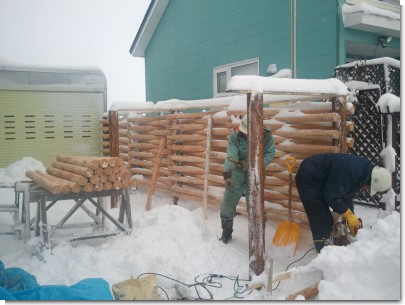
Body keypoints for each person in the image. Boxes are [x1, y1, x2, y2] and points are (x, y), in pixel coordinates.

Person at [295, 153, 392, 253]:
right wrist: (348, 215)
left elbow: (345, 195)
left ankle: (330, 247)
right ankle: (323, 253)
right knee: (322, 220)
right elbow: (331, 196)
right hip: (309, 178)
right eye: (369, 187)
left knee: (331, 218)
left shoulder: (362, 172)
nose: (367, 189)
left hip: (321, 180)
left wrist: (351, 215)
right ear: (371, 180)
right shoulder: (352, 172)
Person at [219, 115, 276, 243]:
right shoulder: (236, 134)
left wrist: (253, 164)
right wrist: (227, 175)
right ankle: (226, 233)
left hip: (255, 172)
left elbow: (270, 153)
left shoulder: (265, 135)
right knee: (228, 201)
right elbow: (231, 155)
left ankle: (257, 238)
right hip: (237, 171)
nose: (244, 134)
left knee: (256, 205)